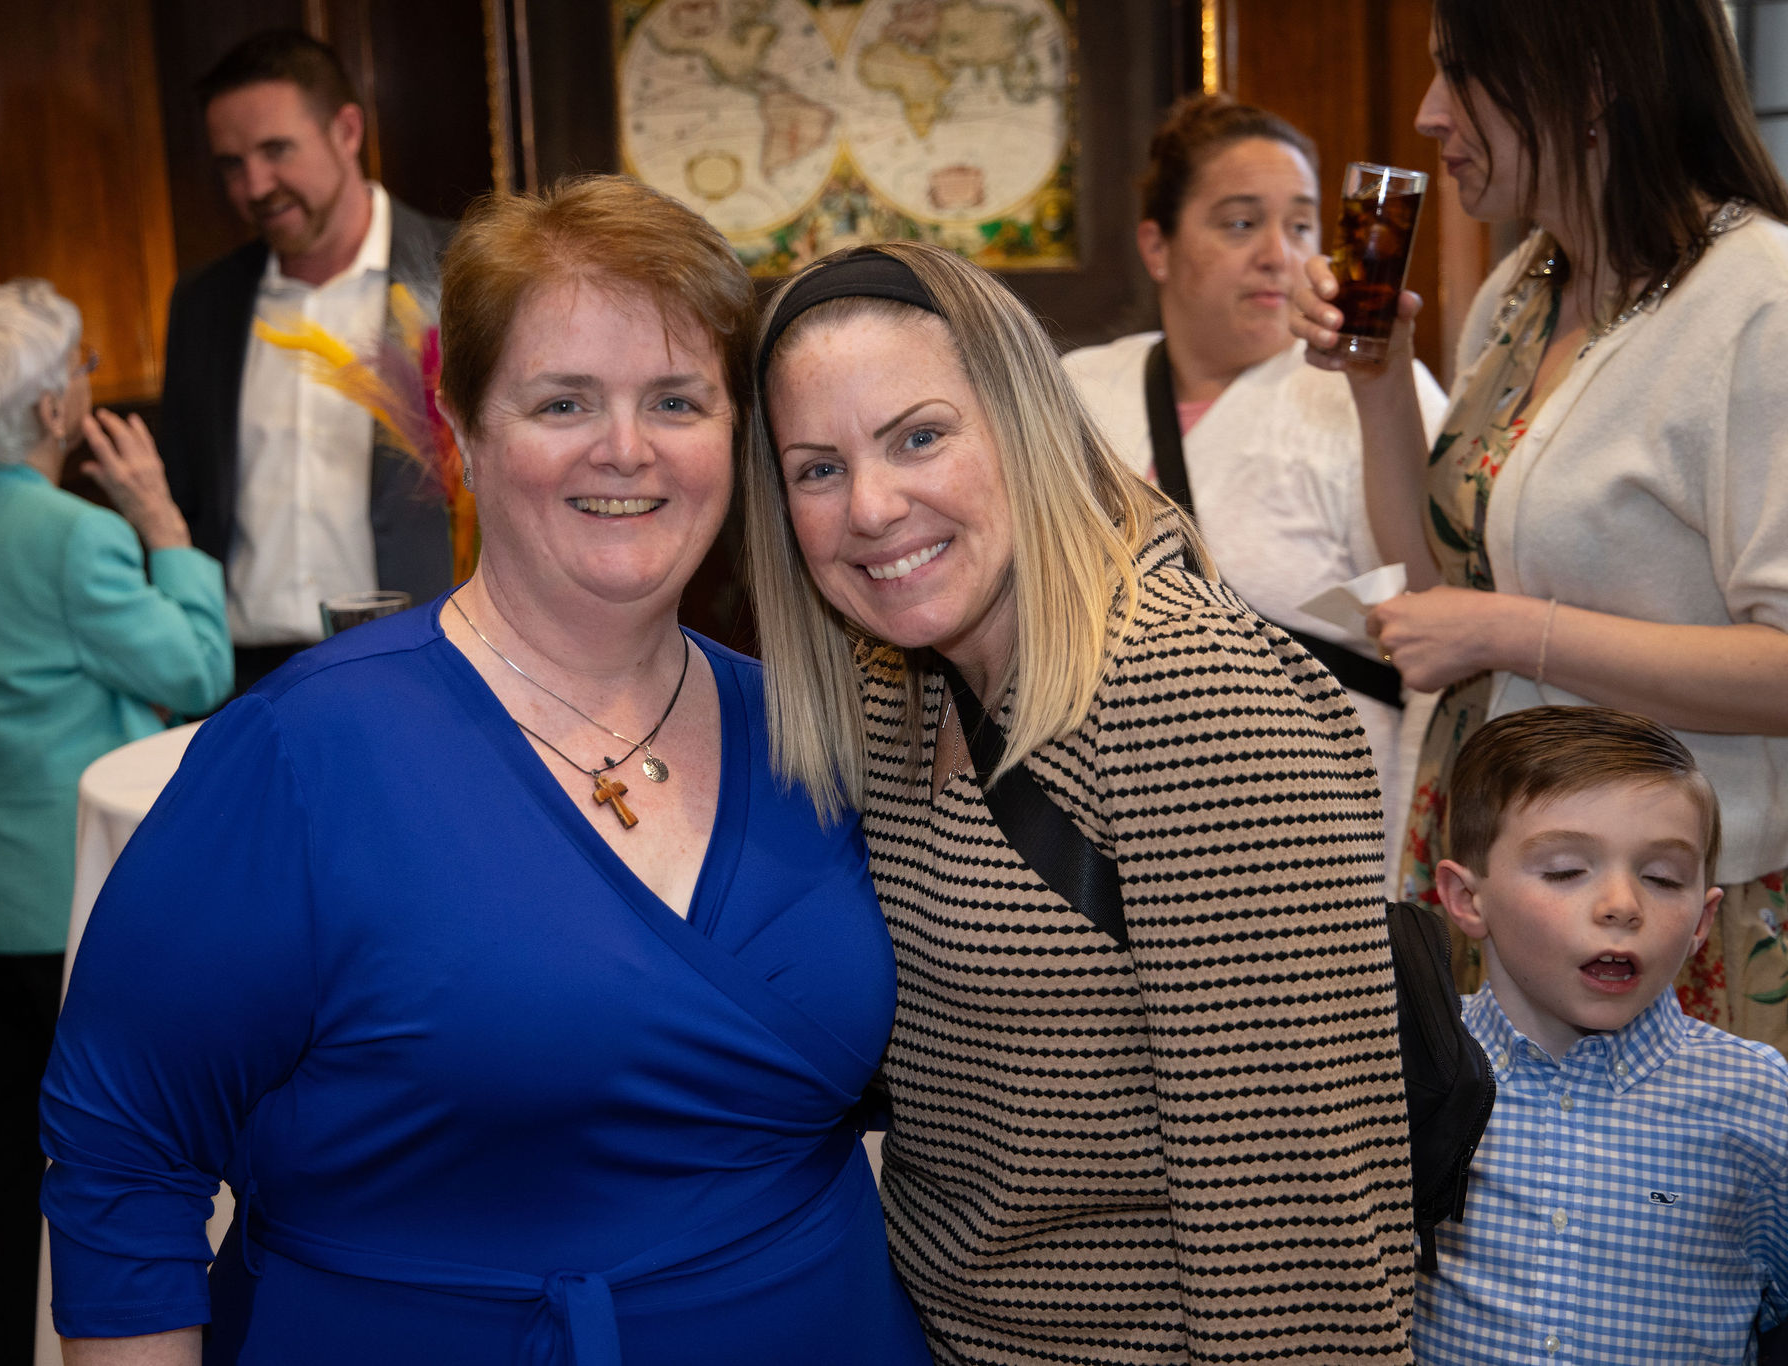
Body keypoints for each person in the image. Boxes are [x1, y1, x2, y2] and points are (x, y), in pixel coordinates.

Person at [40, 176, 934, 1366]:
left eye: (676, 399)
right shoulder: (303, 754)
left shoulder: (809, 732)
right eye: (563, 401)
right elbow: (124, 1154)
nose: (626, 448)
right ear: (459, 427)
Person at [747, 241, 1416, 1364]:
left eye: (919, 437)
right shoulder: (893, 687)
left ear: (1022, 422)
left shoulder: (1185, 689)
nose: (870, 505)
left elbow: (1303, 1225)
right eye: (817, 468)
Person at [1292, 0, 1788, 1050]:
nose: (1428, 113)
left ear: (1591, 77)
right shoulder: (1523, 290)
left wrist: (1514, 632)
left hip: (1658, 913)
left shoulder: (1758, 304)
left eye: (1461, 73)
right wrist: (1378, 382)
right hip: (1502, 874)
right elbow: (1435, 582)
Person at [0, 278, 232, 1366]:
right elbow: (200, 672)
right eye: (80, 367)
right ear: (49, 409)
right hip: (67, 901)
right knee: (104, 1162)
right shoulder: (74, 536)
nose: (88, 383)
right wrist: (162, 524)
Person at [1062, 93, 1448, 843]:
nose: (1279, 254)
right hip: (1103, 821)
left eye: (1301, 225)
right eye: (1240, 223)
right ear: (1157, 247)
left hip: (1318, 824)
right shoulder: (1078, 390)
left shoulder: (1369, 390)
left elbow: (1438, 609)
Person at [1418, 705, 1786, 1362]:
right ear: (1468, 900)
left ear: (1702, 921)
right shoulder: (1411, 1068)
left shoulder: (1761, 1101)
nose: (1622, 905)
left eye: (1662, 878)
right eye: (1566, 870)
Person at [157, 29, 457, 691]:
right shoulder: (204, 303)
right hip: (246, 677)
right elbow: (187, 496)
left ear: (346, 130)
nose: (255, 185)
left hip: (418, 662)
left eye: (276, 150)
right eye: (231, 165)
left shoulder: (461, 271)